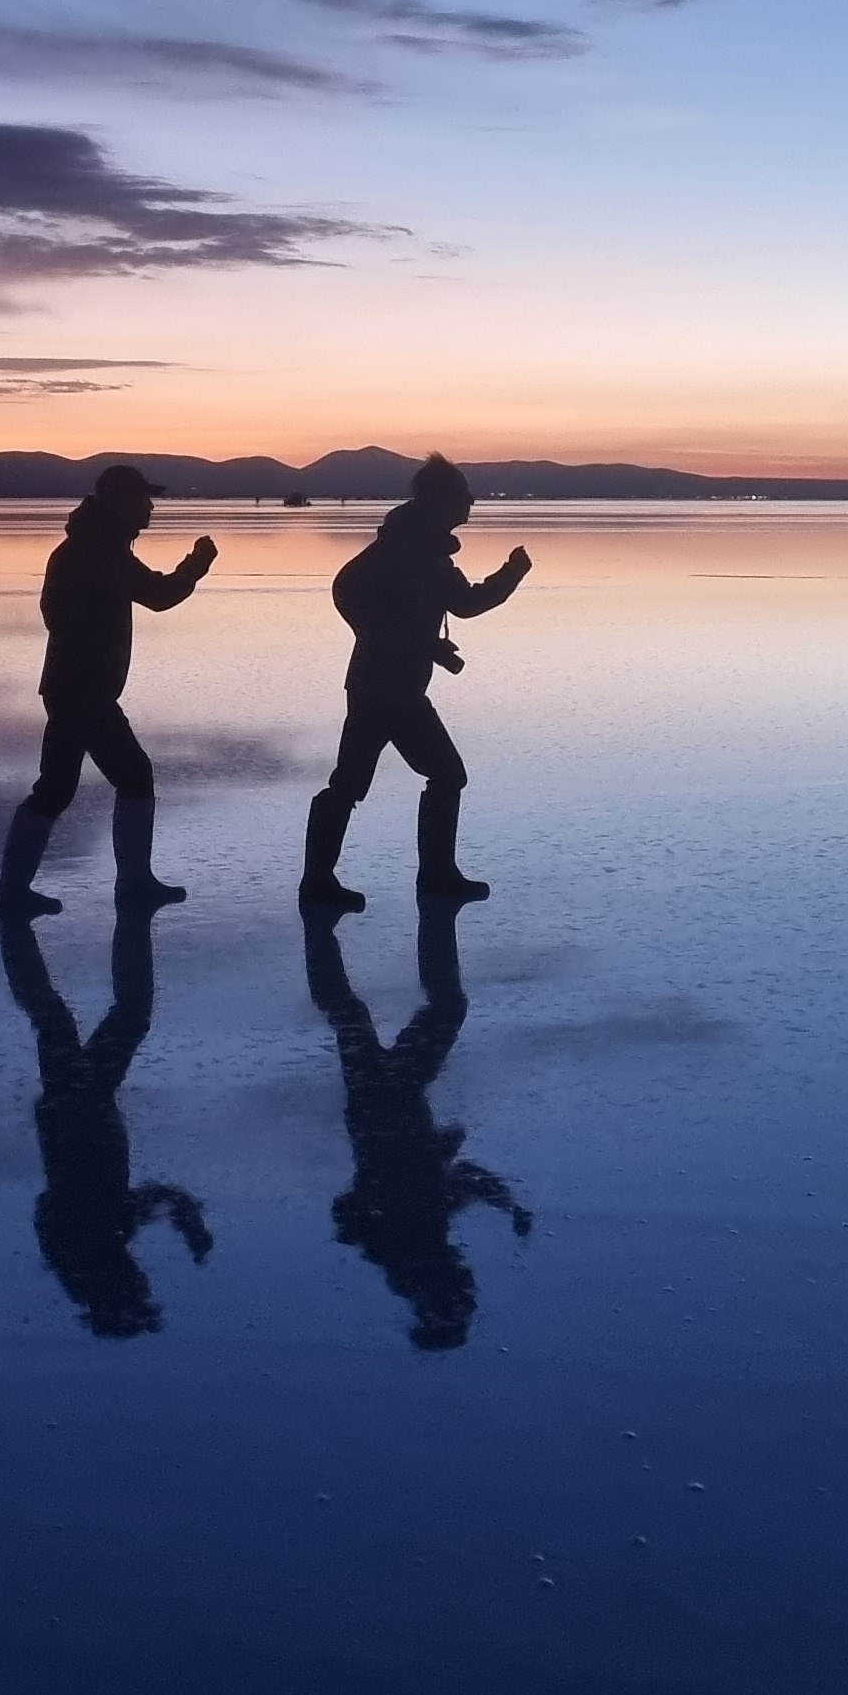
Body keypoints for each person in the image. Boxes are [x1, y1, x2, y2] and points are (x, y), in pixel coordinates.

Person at [300, 454, 529, 910]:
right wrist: (512, 573)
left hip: (391, 686)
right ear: (441, 500)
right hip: (384, 689)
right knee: (418, 777)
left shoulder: (420, 547)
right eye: (463, 493)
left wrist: (424, 646)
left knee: (401, 778)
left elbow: (447, 604)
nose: (471, 500)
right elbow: (350, 590)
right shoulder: (410, 549)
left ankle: (425, 876)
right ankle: (337, 882)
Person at [304, 898, 528, 1351]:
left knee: (428, 1010)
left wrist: (429, 1158)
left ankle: (322, 925)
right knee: (357, 1015)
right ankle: (321, 930)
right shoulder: (416, 1242)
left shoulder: (411, 1241)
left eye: (464, 1290)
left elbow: (360, 1209)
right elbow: (460, 1183)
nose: (470, 1278)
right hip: (381, 1104)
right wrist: (505, 1203)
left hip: (386, 1101)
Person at [0, 464, 216, 914]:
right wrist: (197, 564)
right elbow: (158, 595)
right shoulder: (96, 552)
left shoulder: (96, 547)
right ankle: (23, 892)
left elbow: (65, 611)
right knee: (75, 785)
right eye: (142, 499)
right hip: (81, 691)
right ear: (119, 502)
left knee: (109, 779)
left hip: (82, 689)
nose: (150, 507)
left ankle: (125, 883)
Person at [0, 897, 210, 1338]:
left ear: (120, 1288)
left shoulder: (91, 1239)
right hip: (78, 1108)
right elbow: (152, 1199)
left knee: (77, 1018)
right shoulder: (95, 1242)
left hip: (78, 1108)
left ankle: (18, 923)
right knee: (87, 1017)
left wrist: (187, 1219)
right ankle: (31, 927)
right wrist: (187, 1218)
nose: (144, 1279)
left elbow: (64, 1206)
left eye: (139, 1288)